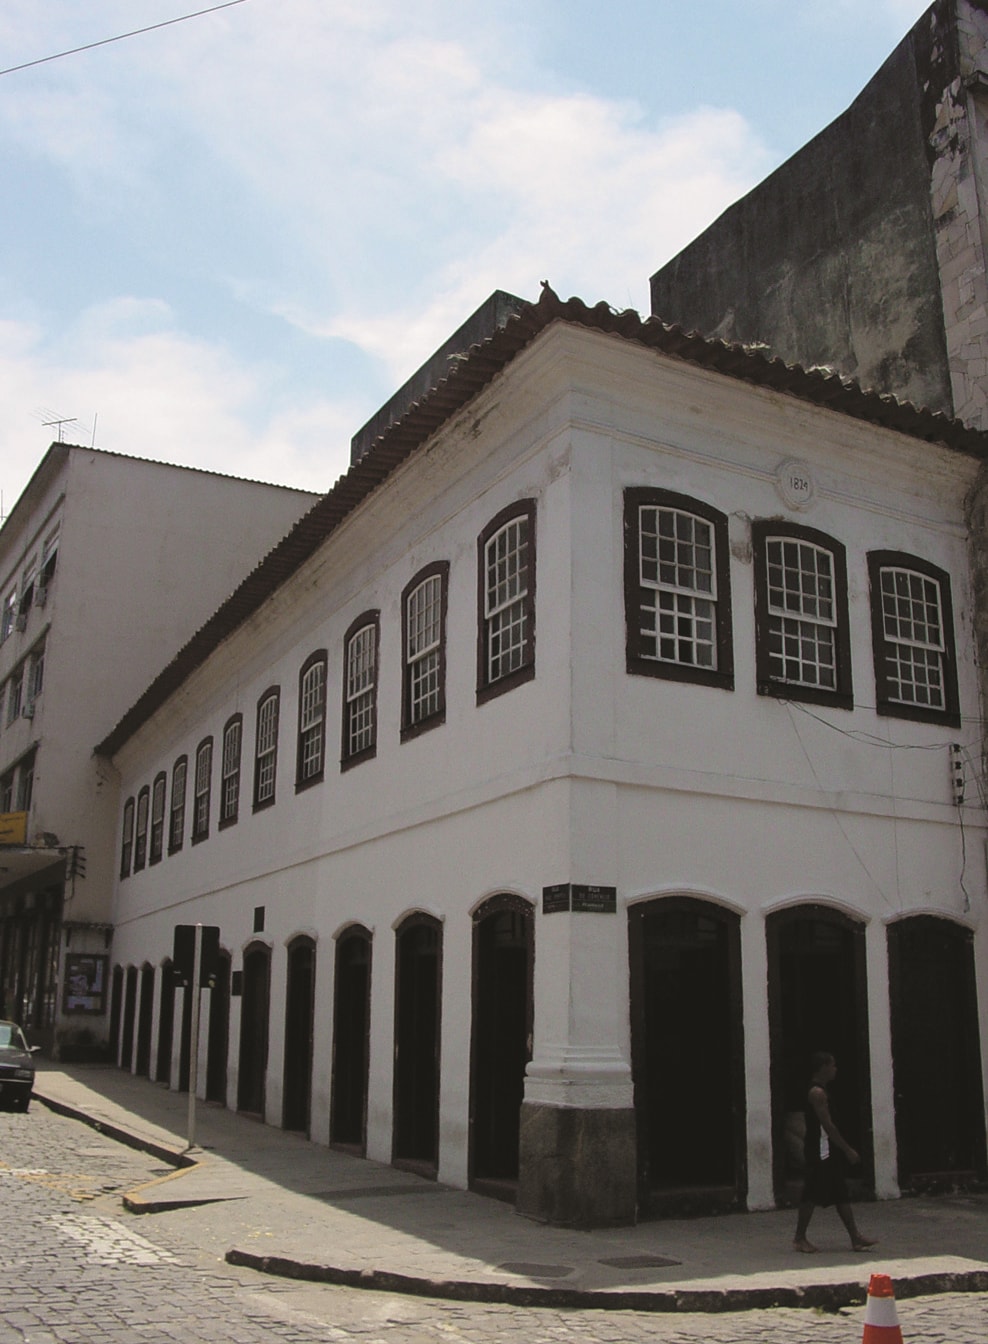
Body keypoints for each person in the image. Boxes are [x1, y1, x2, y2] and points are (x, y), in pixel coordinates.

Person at [793, 1051, 878, 1253]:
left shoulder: (823, 1091)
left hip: (828, 1149)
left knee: (840, 1192)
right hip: (821, 1150)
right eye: (832, 1065)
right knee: (811, 1192)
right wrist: (847, 1149)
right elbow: (828, 1126)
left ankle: (855, 1237)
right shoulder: (817, 1093)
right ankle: (799, 1238)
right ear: (823, 1068)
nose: (835, 1069)